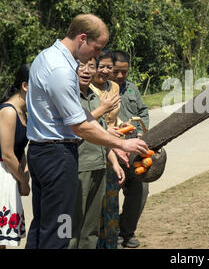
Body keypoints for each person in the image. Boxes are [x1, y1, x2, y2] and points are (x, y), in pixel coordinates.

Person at [25, 13, 148, 249]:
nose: (97, 55)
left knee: (44, 225)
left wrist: (109, 139)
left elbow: (82, 117)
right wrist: (123, 144)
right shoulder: (60, 70)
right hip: (57, 157)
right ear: (82, 38)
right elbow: (79, 126)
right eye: (96, 48)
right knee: (60, 231)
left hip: (43, 153)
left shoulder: (46, 57)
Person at [69, 57, 124, 249]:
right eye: (81, 66)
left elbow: (102, 133)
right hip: (79, 167)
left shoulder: (95, 97)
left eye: (91, 66)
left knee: (91, 228)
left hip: (99, 165)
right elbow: (79, 128)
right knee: (72, 227)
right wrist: (103, 109)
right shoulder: (69, 95)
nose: (86, 71)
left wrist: (114, 162)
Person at [111, 50, 150, 248]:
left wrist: (143, 131)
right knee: (110, 195)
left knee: (140, 191)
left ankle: (126, 232)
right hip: (113, 151)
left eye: (124, 72)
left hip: (134, 150)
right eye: (116, 71)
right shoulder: (103, 91)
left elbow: (143, 111)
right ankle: (111, 235)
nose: (120, 76)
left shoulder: (132, 89)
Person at [90, 50, 127, 249]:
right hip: (94, 146)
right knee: (94, 205)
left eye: (108, 67)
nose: (104, 71)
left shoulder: (113, 87)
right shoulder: (86, 88)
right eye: (100, 66)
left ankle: (110, 244)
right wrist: (107, 130)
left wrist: (123, 126)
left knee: (111, 202)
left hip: (112, 149)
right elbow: (83, 122)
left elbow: (113, 117)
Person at [0, 64, 31, 248]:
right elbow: (8, 154)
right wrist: (24, 181)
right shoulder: (8, 111)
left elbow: (19, 150)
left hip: (10, 174)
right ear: (25, 86)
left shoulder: (23, 113)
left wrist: (24, 171)